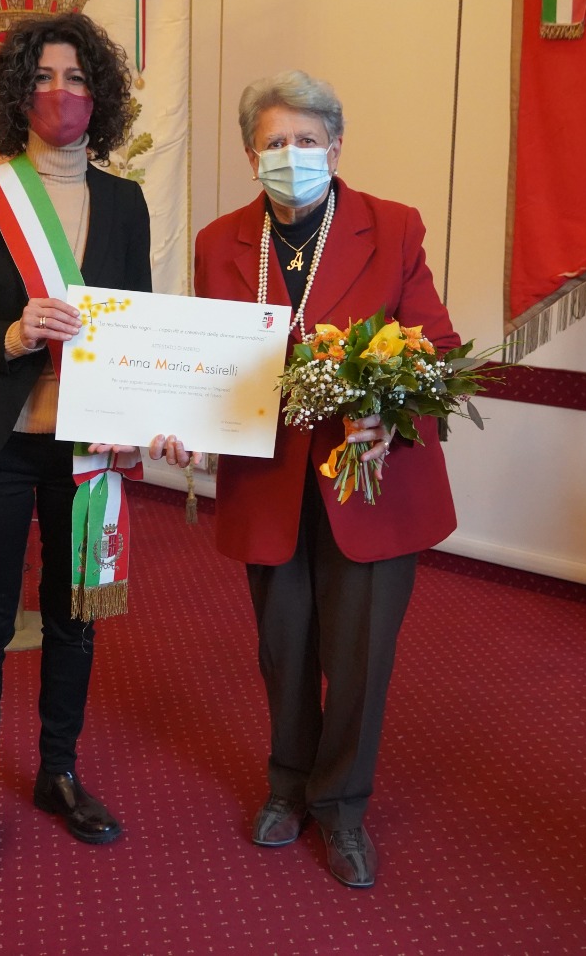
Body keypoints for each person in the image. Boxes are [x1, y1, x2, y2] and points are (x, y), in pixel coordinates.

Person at [0, 12, 189, 887]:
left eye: (75, 77)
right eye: (42, 77)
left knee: (77, 617)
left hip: (87, 447)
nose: (59, 92)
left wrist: (158, 414)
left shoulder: (125, 201)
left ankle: (57, 772)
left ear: (98, 94)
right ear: (16, 93)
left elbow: (141, 326)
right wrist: (10, 331)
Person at [193, 70, 461, 889]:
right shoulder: (218, 242)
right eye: (274, 142)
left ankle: (341, 805)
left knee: (359, 654)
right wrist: (185, 424)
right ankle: (288, 784)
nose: (292, 154)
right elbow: (207, 363)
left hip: (370, 484)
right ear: (251, 157)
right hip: (266, 482)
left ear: (336, 149)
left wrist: (392, 414)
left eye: (307, 140)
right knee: (284, 648)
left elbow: (440, 351)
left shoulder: (393, 226)